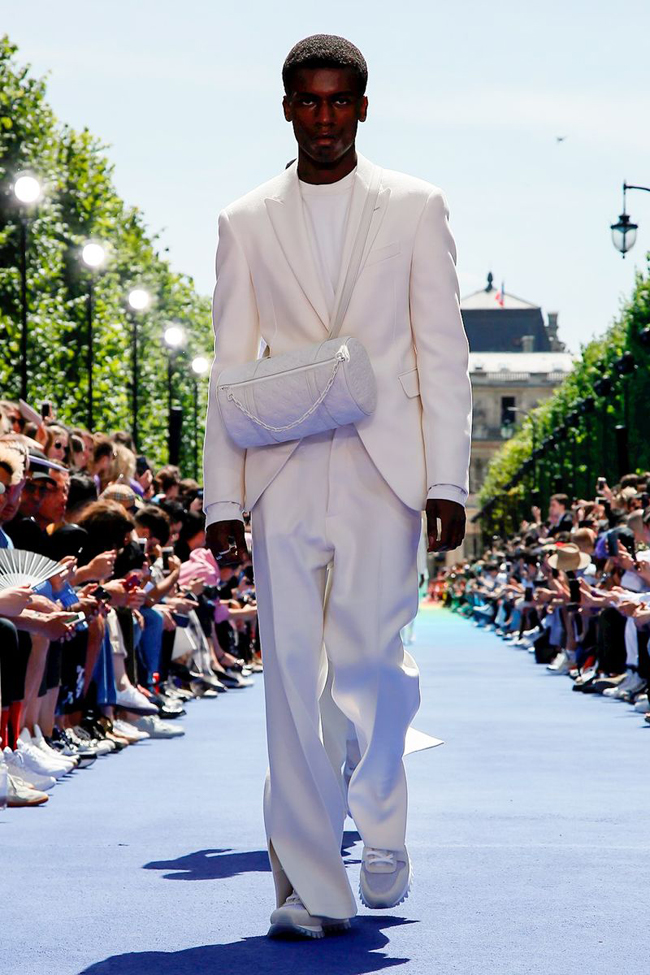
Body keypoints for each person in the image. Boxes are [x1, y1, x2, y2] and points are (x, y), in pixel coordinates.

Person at [203, 34, 471, 939]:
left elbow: (442, 352)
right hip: (281, 470)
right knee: (290, 682)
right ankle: (312, 889)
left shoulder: (415, 206)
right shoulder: (244, 220)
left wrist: (447, 479)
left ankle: (381, 808)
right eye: (307, 102)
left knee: (366, 668)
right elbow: (230, 368)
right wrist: (223, 499)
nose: (323, 117)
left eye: (338, 101)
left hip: (385, 468)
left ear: (363, 105)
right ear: (286, 108)